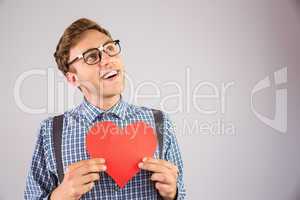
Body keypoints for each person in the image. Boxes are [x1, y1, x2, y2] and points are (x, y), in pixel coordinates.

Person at [24, 18, 186, 200]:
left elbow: (182, 194)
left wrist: (174, 194)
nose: (108, 60)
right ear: (73, 79)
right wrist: (59, 196)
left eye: (109, 48)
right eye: (92, 56)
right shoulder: (50, 131)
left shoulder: (160, 121)